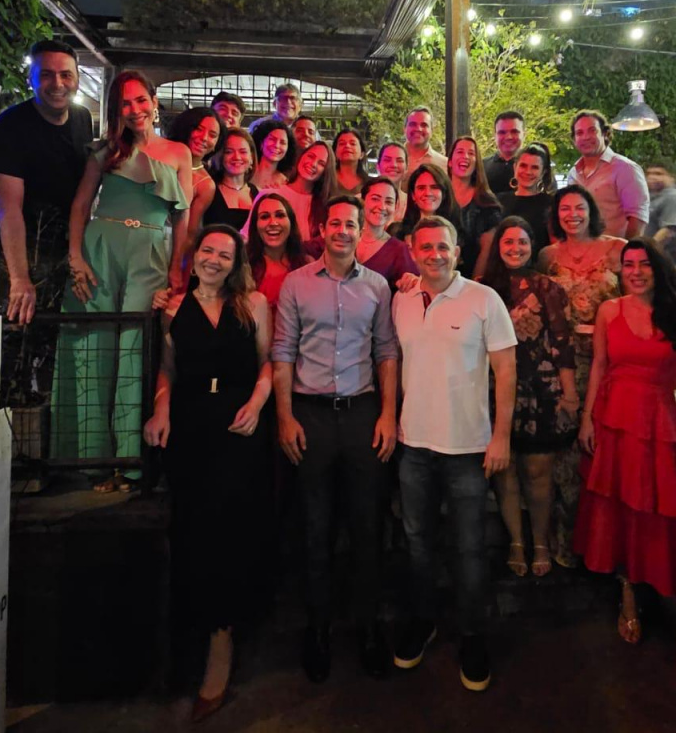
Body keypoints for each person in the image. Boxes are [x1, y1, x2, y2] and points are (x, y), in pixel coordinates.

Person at [143, 225, 273, 721]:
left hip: (239, 427)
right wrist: (161, 409)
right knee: (191, 532)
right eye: (208, 251)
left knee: (230, 533)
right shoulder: (173, 307)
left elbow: (268, 363)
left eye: (225, 254)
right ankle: (191, 645)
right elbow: (168, 369)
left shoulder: (253, 303)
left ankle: (223, 646)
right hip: (191, 426)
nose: (214, 259)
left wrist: (257, 404)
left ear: (236, 262)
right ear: (194, 255)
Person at [272, 196, 399, 683]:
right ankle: (318, 629)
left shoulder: (378, 286)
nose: (344, 231)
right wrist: (285, 416)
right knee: (315, 528)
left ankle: (368, 628)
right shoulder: (296, 283)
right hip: (311, 416)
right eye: (336, 224)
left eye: (352, 224)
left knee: (368, 526)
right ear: (322, 230)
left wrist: (388, 414)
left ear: (361, 230)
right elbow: (283, 351)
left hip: (363, 414)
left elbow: (386, 351)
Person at [391, 216, 517, 691]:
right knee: (418, 544)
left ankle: (472, 635)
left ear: (457, 252)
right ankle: (424, 622)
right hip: (414, 444)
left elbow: (506, 370)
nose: (435, 255)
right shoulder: (402, 300)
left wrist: (500, 436)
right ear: (412, 251)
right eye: (426, 247)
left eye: (443, 247)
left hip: (467, 447)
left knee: (469, 549)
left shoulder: (484, 299)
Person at [51, 70, 192, 489]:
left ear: (154, 101)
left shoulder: (179, 153)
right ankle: (91, 460)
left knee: (136, 351)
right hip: (100, 249)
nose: (135, 110)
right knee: (93, 346)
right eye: (125, 103)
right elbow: (80, 206)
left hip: (151, 254)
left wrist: (176, 269)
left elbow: (182, 218)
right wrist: (76, 258)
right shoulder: (105, 150)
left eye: (140, 100)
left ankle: (129, 462)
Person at [575, 239, 676, 685]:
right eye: (628, 265)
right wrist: (587, 419)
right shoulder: (609, 311)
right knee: (620, 513)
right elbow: (599, 366)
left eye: (643, 264)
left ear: (658, 268)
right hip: (613, 422)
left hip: (659, 426)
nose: (634, 271)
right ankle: (628, 596)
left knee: (671, 522)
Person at [481, 218, 578, 579]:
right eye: (508, 242)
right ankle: (516, 541)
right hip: (494, 390)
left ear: (532, 246)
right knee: (504, 472)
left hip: (541, 391)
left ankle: (540, 542)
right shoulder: (482, 288)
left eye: (522, 242)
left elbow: (563, 344)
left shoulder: (547, 287)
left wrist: (570, 394)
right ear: (498, 247)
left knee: (538, 473)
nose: (515, 248)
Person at [538, 185, 625, 567]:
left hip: (611, 360)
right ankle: (568, 542)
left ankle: (610, 547)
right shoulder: (547, 256)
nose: (572, 214)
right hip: (562, 362)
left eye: (579, 207)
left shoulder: (618, 249)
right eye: (564, 209)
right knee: (567, 454)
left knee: (607, 449)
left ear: (591, 210)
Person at [0, 39, 93, 325]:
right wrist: (19, 278)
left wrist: (78, 253)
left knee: (63, 337)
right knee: (19, 336)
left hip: (67, 250)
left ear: (77, 79)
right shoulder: (9, 126)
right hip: (23, 252)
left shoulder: (82, 118)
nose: (57, 83)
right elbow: (9, 211)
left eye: (66, 74)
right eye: (46, 74)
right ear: (31, 79)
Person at [567, 110, 649, 239]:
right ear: (574, 139)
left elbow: (637, 218)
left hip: (615, 250)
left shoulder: (625, 169)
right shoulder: (573, 174)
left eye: (592, 131)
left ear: (605, 134)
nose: (586, 137)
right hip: (581, 249)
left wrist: (626, 249)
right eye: (579, 133)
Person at [257, 141, 336, 242]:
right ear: (301, 156)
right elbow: (248, 236)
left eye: (321, 163)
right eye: (311, 156)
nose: (313, 164)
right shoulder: (269, 194)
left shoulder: (325, 206)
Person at [246, 192, 309, 316]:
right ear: (255, 225)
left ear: (291, 222)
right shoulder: (243, 267)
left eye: (280, 215)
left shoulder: (307, 265)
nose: (273, 223)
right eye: (264, 217)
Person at [448, 136, 502, 279]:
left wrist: (473, 284)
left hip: (472, 278)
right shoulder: (438, 195)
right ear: (449, 162)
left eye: (471, 153)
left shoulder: (487, 202)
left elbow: (486, 251)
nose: (465, 156)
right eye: (460, 152)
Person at [168, 107, 226, 235]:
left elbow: (190, 233)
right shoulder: (161, 156)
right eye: (199, 129)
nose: (204, 138)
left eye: (212, 135)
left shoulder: (206, 185)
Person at [356, 177, 418, 293]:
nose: (382, 207)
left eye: (389, 202)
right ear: (362, 201)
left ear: (396, 207)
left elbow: (414, 287)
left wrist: (411, 280)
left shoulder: (398, 250)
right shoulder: (345, 237)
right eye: (375, 199)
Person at [497, 142, 554, 254]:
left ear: (543, 173)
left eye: (535, 167)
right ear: (515, 167)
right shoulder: (498, 201)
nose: (528, 172)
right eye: (523, 166)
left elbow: (555, 245)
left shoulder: (551, 203)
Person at [392, 163, 461, 245]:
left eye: (434, 187)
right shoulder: (399, 235)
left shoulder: (458, 231)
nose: (428, 193)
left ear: (444, 193)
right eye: (421, 188)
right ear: (413, 195)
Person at [203, 127, 258, 229]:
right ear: (220, 156)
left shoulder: (257, 193)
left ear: (252, 157)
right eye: (229, 152)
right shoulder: (208, 190)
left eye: (243, 152)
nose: (237, 157)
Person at [645, 160, 676, 268]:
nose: (652, 177)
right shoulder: (651, 198)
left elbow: (668, 232)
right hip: (654, 262)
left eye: (658, 173)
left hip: (669, 265)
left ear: (671, 177)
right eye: (649, 173)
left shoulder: (674, 197)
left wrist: (643, 253)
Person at [403, 106, 448, 189]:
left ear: (432, 130)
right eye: (413, 124)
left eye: (424, 125)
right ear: (404, 129)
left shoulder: (444, 165)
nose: (418, 129)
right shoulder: (392, 160)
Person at [483, 111, 525, 197]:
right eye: (502, 132)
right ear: (495, 135)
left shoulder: (536, 167)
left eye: (514, 131)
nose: (508, 137)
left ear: (524, 134)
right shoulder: (481, 167)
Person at [251, 119, 296, 190]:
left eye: (282, 142)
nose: (277, 145)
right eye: (272, 139)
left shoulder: (285, 183)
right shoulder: (246, 172)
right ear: (261, 143)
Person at [377, 142, 409, 222]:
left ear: (406, 169)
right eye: (387, 160)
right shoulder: (362, 200)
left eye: (399, 161)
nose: (393, 165)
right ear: (378, 166)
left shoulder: (412, 203)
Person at [333, 128, 370, 195]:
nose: (347, 146)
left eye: (353, 144)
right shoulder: (326, 180)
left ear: (362, 154)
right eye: (342, 143)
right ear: (335, 153)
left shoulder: (370, 184)